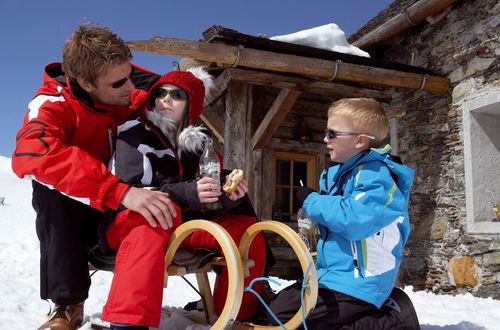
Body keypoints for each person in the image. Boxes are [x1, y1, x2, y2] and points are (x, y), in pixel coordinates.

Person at [11, 24, 177, 330]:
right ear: (86, 82)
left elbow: (182, 89)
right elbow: (31, 153)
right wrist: (119, 192)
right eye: (119, 83)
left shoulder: (129, 84)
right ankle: (67, 304)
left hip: (129, 199)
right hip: (87, 202)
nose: (130, 88)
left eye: (130, 75)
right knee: (48, 190)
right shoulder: (51, 104)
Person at [101, 67, 267, 330]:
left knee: (247, 231)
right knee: (155, 217)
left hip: (182, 226)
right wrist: (189, 192)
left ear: (191, 105)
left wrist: (227, 194)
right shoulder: (134, 134)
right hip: (131, 221)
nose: (165, 99)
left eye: (176, 95)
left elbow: (206, 201)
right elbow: (135, 192)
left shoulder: (200, 146)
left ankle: (238, 314)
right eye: (160, 93)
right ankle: (127, 322)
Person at [263, 98, 420, 329]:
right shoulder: (340, 175)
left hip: (361, 282)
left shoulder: (378, 177)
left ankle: (395, 318)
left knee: (293, 321)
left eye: (332, 133)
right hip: (333, 277)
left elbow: (355, 220)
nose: (325, 139)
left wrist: (312, 200)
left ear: (360, 141)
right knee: (276, 313)